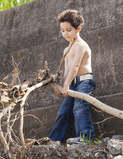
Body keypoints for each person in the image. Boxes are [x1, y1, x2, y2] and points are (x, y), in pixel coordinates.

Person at [48, 9, 96, 144]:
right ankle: (53, 140)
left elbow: (75, 67)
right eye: (62, 31)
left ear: (78, 29)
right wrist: (63, 85)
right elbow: (67, 70)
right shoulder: (66, 49)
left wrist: (66, 86)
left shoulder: (81, 45)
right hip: (72, 83)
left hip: (84, 82)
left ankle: (86, 138)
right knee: (63, 112)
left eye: (68, 30)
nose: (65, 34)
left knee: (79, 107)